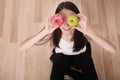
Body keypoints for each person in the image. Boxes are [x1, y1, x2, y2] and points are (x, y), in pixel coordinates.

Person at [19, 1, 116, 80]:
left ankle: (68, 71)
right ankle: (67, 70)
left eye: (70, 19)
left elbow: (113, 50)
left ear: (77, 18)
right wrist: (45, 32)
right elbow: (22, 47)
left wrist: (87, 32)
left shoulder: (83, 28)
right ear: (56, 19)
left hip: (82, 55)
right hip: (61, 56)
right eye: (62, 19)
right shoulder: (53, 29)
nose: (66, 24)